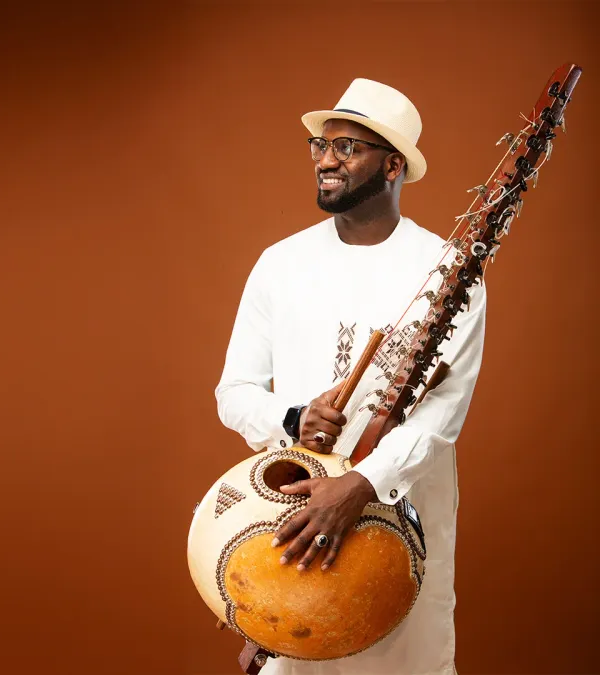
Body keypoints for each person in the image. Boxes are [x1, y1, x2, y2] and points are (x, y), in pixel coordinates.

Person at [214, 78, 487, 674]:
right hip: (294, 518)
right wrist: (293, 418)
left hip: (402, 520)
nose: (325, 160)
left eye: (347, 147)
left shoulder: (446, 268)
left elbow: (444, 414)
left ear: (392, 165)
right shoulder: (280, 263)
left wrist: (362, 484)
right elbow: (233, 394)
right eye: (320, 145)